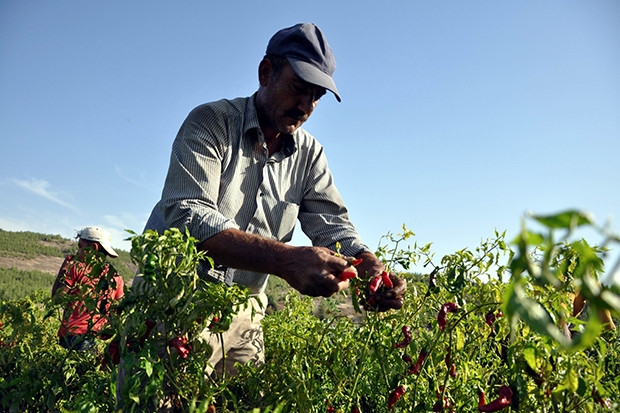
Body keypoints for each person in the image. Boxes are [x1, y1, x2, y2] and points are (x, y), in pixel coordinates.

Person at [138, 22, 406, 373]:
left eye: (317, 97)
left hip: (244, 312)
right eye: (299, 88)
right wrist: (285, 260)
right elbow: (188, 213)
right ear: (266, 72)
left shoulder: (309, 154)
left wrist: (367, 264)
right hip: (176, 301)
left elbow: (332, 224)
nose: (306, 105)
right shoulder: (212, 123)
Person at [52, 226, 125, 351]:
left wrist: (63, 270)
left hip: (73, 335)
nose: (77, 251)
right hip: (97, 337)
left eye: (81, 247)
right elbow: (118, 311)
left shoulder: (77, 268)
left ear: (93, 248)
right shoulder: (116, 278)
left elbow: (57, 299)